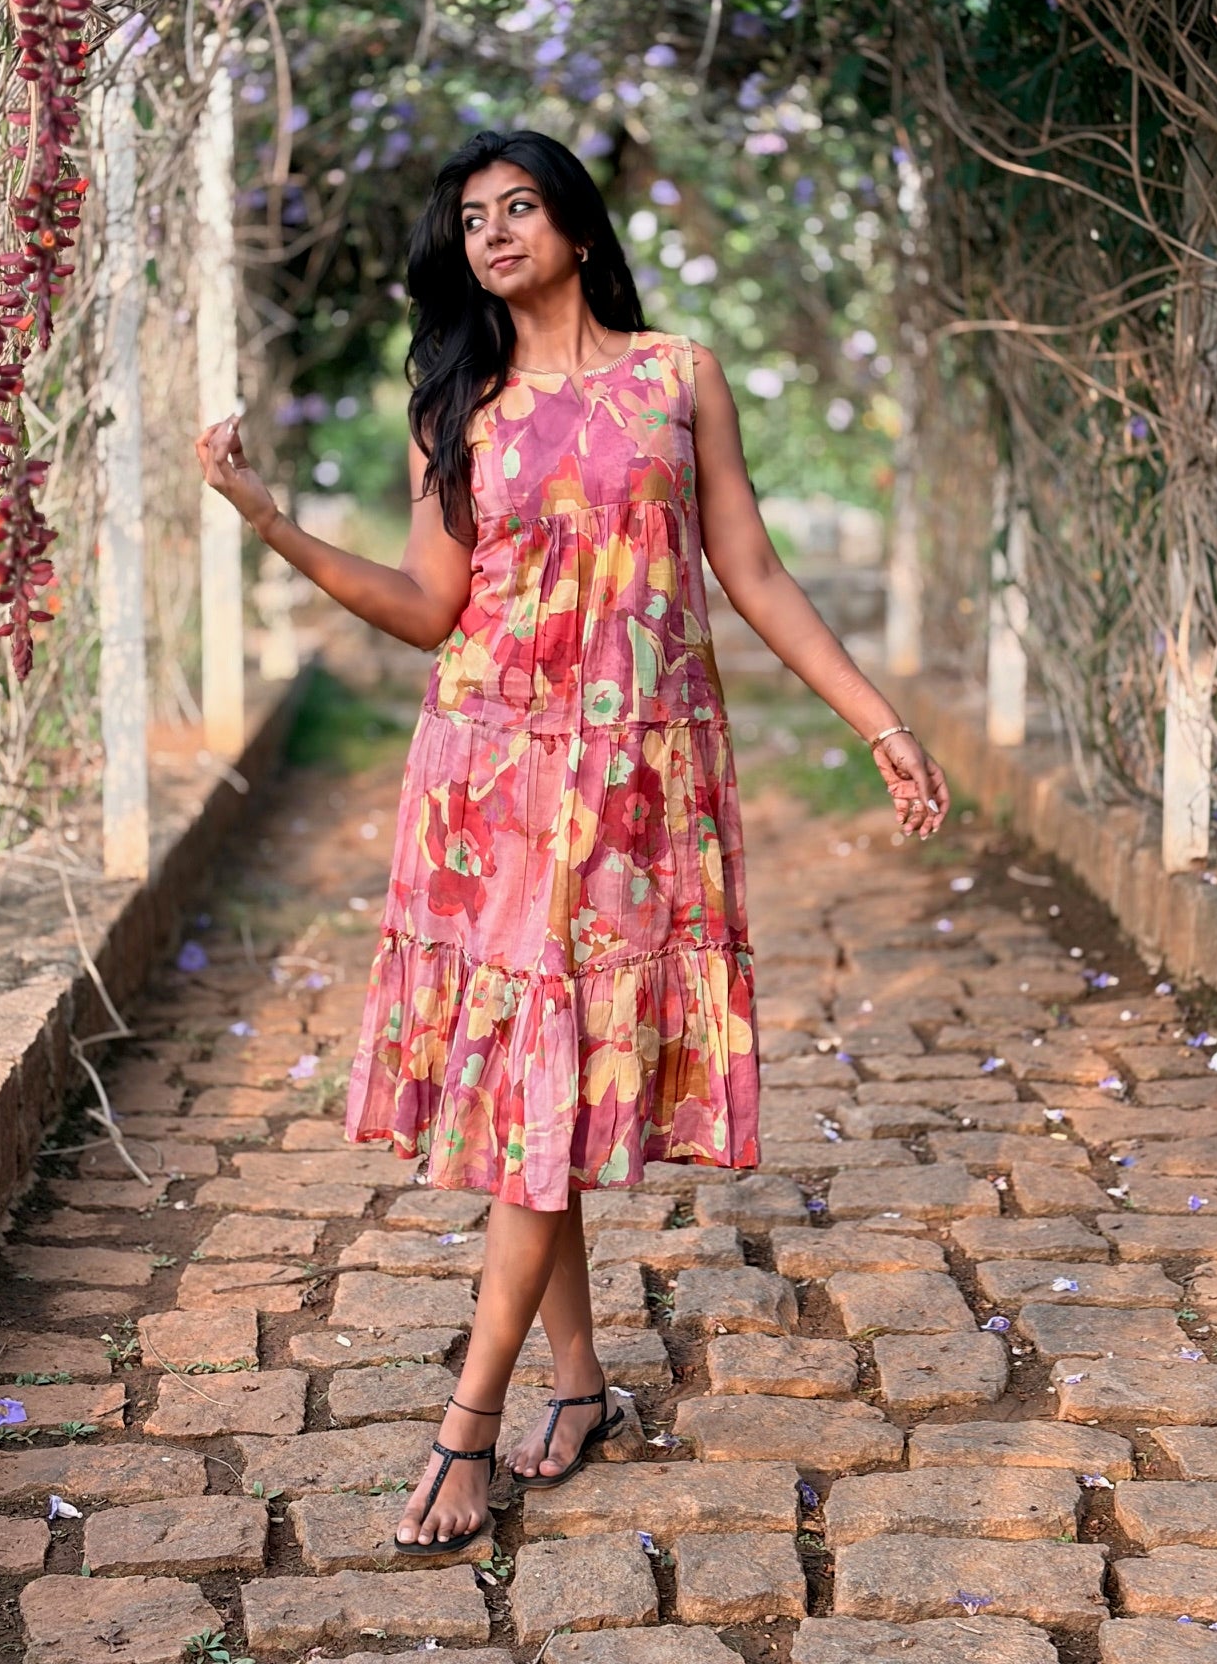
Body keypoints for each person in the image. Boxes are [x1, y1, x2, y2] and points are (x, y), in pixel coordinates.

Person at [194, 127, 949, 1554]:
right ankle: (521, 1405)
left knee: (548, 1092)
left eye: (519, 206)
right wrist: (270, 520)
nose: (491, 232)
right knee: (530, 1093)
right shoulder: (458, 403)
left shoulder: (678, 376)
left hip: (638, 783)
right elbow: (429, 609)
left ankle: (518, 1404)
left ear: (579, 230)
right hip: (490, 780)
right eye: (470, 217)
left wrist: (875, 720)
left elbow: (755, 569)